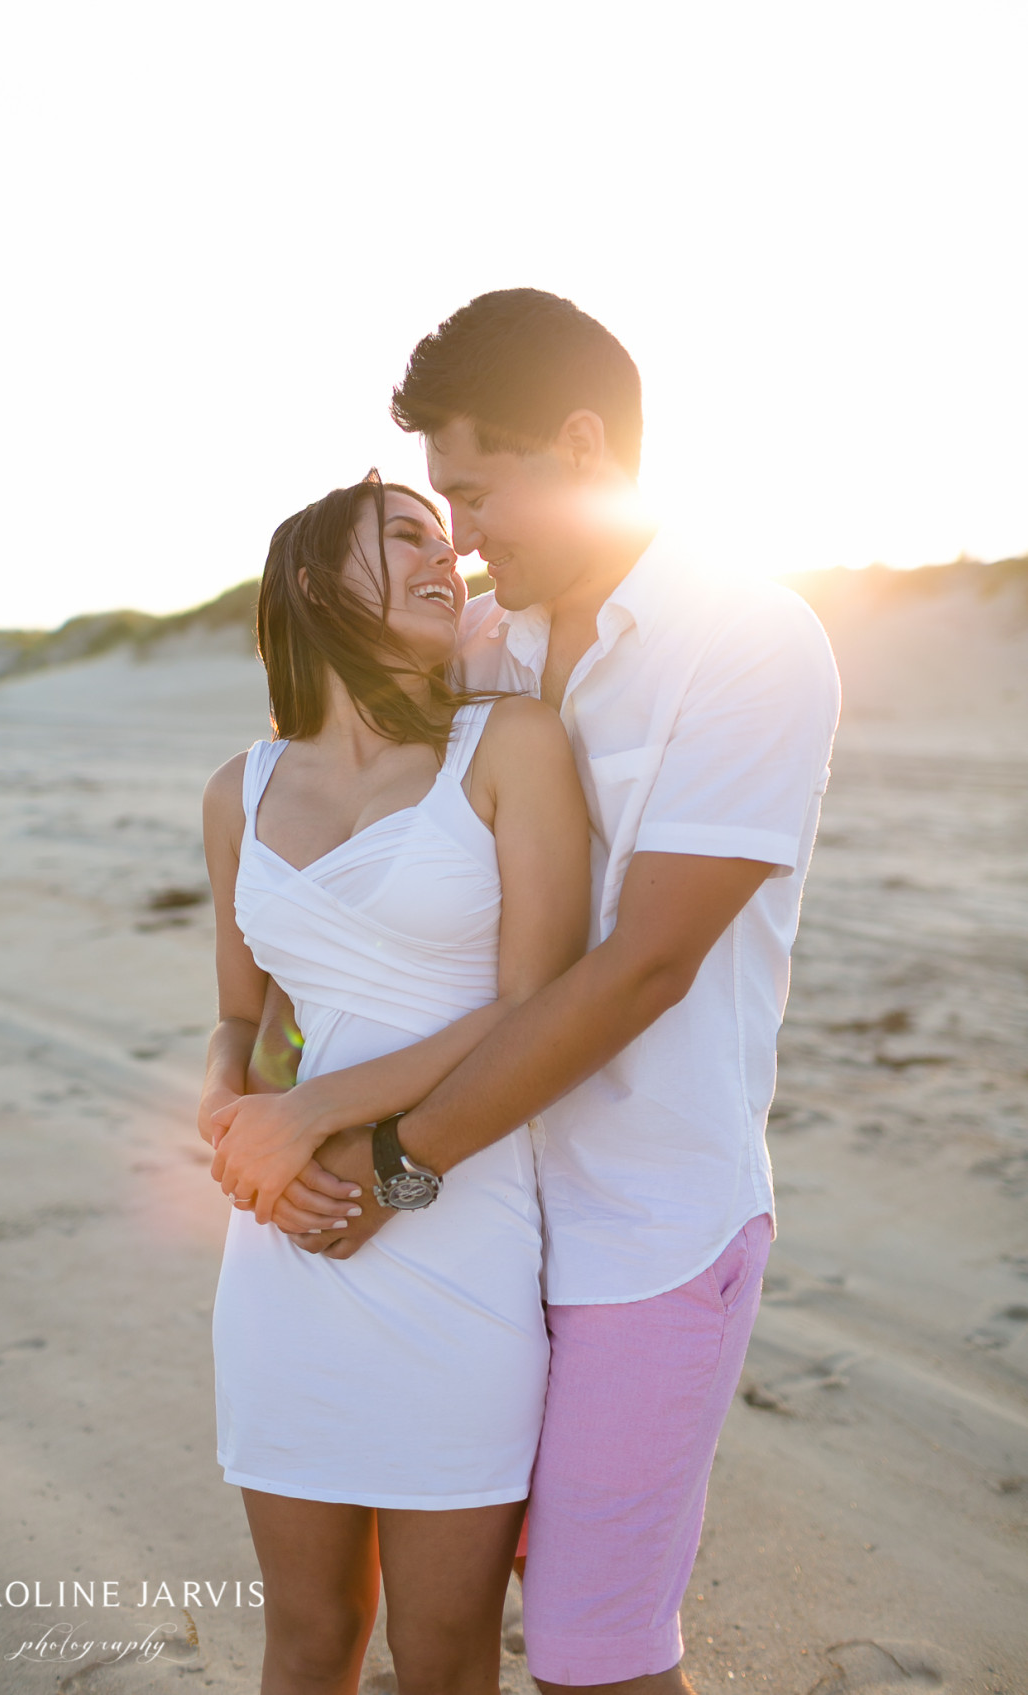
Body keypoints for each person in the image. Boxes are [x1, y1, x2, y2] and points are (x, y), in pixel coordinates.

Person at [239, 290, 842, 1695]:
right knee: (427, 1630)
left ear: (580, 444)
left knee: (591, 1651)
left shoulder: (746, 637)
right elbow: (331, 788)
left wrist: (381, 1159)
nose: (457, 532)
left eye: (473, 489)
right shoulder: (488, 644)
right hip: (483, 1226)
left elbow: (641, 963)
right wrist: (252, 1063)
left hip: (643, 1224)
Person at [199, 468, 589, 1695]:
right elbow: (242, 1012)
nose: (449, 557)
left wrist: (313, 1110)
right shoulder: (238, 791)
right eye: (406, 537)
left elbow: (536, 1003)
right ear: (316, 583)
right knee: (308, 1643)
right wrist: (228, 1121)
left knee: (441, 1653)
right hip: (285, 1254)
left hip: (453, 1224)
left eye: (447, 539)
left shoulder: (509, 745)